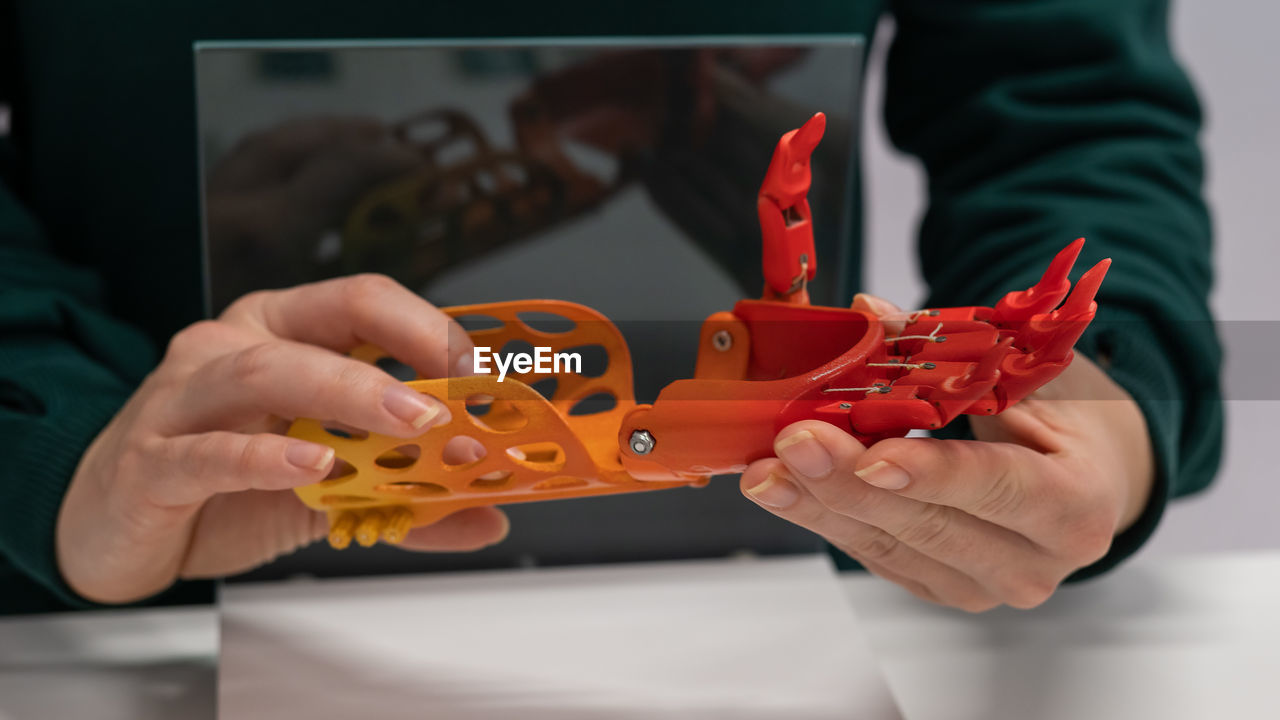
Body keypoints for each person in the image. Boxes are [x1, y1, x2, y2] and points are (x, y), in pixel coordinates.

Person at [0, 0, 1220, 614]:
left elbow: (1063, 98)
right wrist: (51, 447)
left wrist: (1108, 407)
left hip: (797, 586)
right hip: (117, 585)